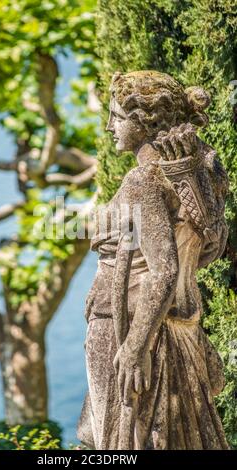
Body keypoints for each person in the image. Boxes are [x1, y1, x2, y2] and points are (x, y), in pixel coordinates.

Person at [77, 70, 229, 450]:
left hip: (124, 326)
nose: (110, 125)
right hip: (165, 326)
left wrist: (134, 347)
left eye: (117, 115)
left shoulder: (143, 181)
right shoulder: (190, 174)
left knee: (118, 441)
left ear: (145, 120)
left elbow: (163, 271)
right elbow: (208, 247)